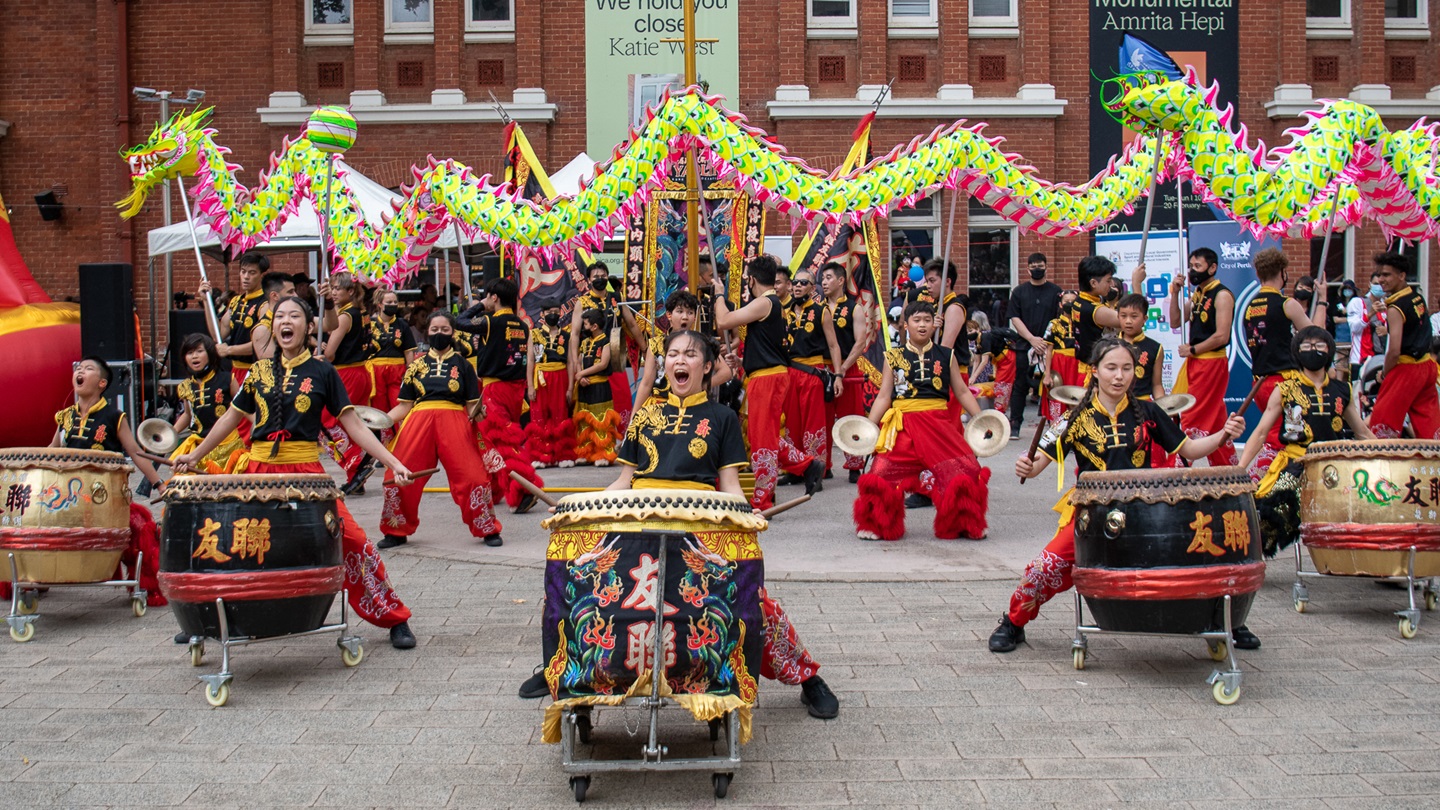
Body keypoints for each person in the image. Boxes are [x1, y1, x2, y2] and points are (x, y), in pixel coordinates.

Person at [516, 329, 839, 719]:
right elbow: (623, 481)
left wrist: (744, 513)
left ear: (707, 367)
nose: (679, 361)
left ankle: (807, 678)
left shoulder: (721, 417)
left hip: (698, 528)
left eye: (690, 355)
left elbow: (732, 487)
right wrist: (576, 508)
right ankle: (562, 673)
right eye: (672, 354)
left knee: (753, 603)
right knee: (577, 590)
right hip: (637, 527)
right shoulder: (645, 413)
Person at [175, 297, 419, 649]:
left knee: (352, 540)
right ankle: (205, 620)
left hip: (306, 471)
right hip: (257, 471)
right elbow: (230, 419)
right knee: (230, 542)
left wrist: (393, 461)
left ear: (307, 328)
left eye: (294, 315)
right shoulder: (258, 373)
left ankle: (393, 617)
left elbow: (353, 425)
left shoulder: (322, 372)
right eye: (280, 316)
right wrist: (195, 454)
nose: (285, 321)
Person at [989, 339, 1246, 653]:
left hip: (1147, 513)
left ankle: (1225, 622)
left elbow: (1189, 449)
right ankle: (1013, 623)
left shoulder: (1149, 412)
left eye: (1127, 368)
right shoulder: (1073, 418)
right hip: (1092, 515)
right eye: (1111, 368)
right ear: (1095, 371)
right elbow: (1037, 465)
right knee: (1045, 567)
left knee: (1196, 556)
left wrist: (1223, 435)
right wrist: (1025, 466)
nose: (1119, 376)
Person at [854, 301, 990, 541]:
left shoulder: (946, 355)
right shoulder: (893, 356)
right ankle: (878, 525)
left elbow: (961, 391)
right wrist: (868, 426)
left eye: (927, 320)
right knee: (881, 472)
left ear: (934, 323)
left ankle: (962, 524)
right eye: (917, 320)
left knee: (967, 469)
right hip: (902, 425)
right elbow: (885, 395)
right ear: (906, 324)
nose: (923, 325)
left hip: (938, 424)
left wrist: (981, 419)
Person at [40, 357, 168, 608]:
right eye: (78, 368)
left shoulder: (114, 416)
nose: (80, 371)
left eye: (88, 369)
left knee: (139, 530)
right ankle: (37, 574)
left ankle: (141, 585)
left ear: (101, 383)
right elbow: (51, 451)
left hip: (101, 494)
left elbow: (135, 452)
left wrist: (159, 484)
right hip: (66, 494)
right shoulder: (65, 416)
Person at [1240, 326, 1374, 560]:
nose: (1314, 350)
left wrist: (1391, 452)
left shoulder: (1343, 390)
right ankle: (1249, 559)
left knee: (1370, 506)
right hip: (1296, 464)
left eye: (1320, 345)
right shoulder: (1285, 389)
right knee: (1267, 512)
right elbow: (1261, 432)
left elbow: (1361, 432)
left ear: (1330, 351)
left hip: (1335, 467)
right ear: (1297, 352)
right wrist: (1240, 469)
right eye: (1307, 346)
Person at [378, 311, 503, 549]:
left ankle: (487, 528)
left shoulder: (464, 365)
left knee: (473, 477)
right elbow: (404, 406)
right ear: (427, 331)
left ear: (452, 332)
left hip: (454, 420)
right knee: (397, 474)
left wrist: (480, 412)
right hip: (418, 421)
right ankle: (395, 530)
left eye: (444, 330)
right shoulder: (415, 365)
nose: (439, 334)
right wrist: (381, 420)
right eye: (434, 330)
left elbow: (471, 406)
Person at [712, 256, 824, 509]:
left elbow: (724, 321)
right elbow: (767, 346)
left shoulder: (766, 302)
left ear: (751, 279)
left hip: (768, 379)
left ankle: (762, 500)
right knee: (765, 434)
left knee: (762, 439)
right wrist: (743, 361)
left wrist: (720, 295)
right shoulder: (772, 304)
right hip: (765, 375)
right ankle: (807, 465)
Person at [459, 278, 542, 512]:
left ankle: (524, 489)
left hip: (495, 390)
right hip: (515, 392)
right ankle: (494, 489)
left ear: (494, 297)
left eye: (489, 296)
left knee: (502, 442)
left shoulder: (490, 322)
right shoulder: (522, 325)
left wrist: (480, 305)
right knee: (490, 440)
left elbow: (460, 321)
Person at [1243, 248, 1329, 451]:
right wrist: (1323, 300)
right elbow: (1316, 337)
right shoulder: (1286, 304)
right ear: (1283, 273)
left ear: (1258, 274)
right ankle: (1266, 478)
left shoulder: (1250, 305)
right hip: (1284, 383)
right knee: (1285, 440)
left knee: (1274, 434)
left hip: (1259, 383)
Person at [1170, 247, 1238, 465]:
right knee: (1215, 417)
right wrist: (1175, 294)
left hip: (1210, 362)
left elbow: (1222, 336)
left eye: (1197, 266)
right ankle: (1227, 468)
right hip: (1195, 362)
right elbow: (1175, 320)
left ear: (1213, 267)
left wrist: (1193, 350)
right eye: (1191, 266)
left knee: (1191, 413)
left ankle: (1180, 466)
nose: (1193, 271)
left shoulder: (1222, 294)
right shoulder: (1199, 294)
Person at [1368, 251, 1440, 440]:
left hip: (1407, 369)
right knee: (1429, 421)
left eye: (1387, 275)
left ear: (1401, 276)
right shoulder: (1417, 297)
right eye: (1380, 275)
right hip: (1427, 366)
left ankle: (1383, 464)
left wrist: (1384, 374)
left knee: (1383, 421)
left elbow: (1394, 350)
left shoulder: (1395, 307)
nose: (1381, 279)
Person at [315, 271, 374, 494]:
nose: (333, 292)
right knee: (352, 426)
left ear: (350, 291)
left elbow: (329, 354)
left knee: (326, 423)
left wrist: (319, 353)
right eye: (332, 288)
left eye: (338, 288)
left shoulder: (345, 316)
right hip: (361, 373)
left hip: (345, 375)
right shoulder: (361, 312)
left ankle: (356, 463)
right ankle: (357, 475)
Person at [632, 291, 732, 411]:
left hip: (691, 405)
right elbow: (646, 383)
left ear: (695, 317)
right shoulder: (655, 344)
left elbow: (726, 372)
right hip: (660, 406)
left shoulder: (701, 343)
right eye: (680, 311)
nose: (685, 317)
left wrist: (701, 384)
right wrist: (634, 417)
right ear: (669, 315)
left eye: (690, 313)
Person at [820, 262, 874, 483]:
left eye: (829, 277)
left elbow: (861, 341)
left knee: (850, 416)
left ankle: (854, 465)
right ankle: (823, 465)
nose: (823, 282)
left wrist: (842, 369)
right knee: (822, 418)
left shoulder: (855, 308)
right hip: (822, 368)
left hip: (847, 368)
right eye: (822, 278)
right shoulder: (815, 308)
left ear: (841, 281)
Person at [783, 269, 841, 474]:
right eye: (795, 282)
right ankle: (795, 469)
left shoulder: (821, 310)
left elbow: (834, 346)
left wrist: (839, 376)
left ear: (812, 287)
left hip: (813, 372)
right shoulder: (784, 312)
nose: (798, 286)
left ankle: (816, 469)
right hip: (790, 372)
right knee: (792, 423)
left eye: (803, 283)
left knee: (814, 424)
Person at [570, 262, 640, 427]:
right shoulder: (582, 302)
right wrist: (577, 366)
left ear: (607, 277)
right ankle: (595, 444)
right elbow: (574, 334)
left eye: (603, 276)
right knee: (593, 405)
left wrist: (645, 347)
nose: (600, 279)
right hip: (590, 358)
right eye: (596, 277)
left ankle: (620, 441)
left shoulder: (617, 298)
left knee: (621, 398)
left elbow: (631, 324)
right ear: (589, 280)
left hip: (614, 357)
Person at [170, 334, 245, 474]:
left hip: (228, 445)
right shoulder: (185, 386)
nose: (194, 356)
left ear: (210, 354)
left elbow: (244, 408)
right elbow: (188, 414)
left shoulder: (228, 379)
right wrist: (170, 433)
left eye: (199, 351)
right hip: (198, 446)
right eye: (190, 353)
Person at [1007, 253, 1063, 433]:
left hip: (1050, 347)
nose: (1036, 269)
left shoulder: (1056, 291)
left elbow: (1059, 320)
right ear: (1027, 269)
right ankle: (1015, 423)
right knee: (1020, 385)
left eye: (1040, 265)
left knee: (1052, 385)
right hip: (1025, 346)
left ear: (1046, 266)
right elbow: (1014, 318)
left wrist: (1046, 342)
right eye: (1033, 266)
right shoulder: (1019, 291)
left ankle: (1052, 423)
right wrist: (1031, 339)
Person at [197, 252, 269, 388]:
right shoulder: (236, 302)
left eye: (252, 273)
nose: (246, 277)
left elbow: (261, 344)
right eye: (243, 272)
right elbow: (217, 334)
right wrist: (207, 302)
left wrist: (229, 350)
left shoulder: (265, 304)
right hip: (235, 371)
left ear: (261, 275)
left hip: (257, 370)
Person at [526, 300, 577, 469]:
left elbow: (570, 362)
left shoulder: (566, 335)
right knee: (540, 415)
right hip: (540, 378)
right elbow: (530, 362)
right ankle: (541, 455)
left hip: (560, 376)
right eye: (549, 312)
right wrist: (530, 387)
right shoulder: (534, 334)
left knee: (560, 414)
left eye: (556, 311)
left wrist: (570, 387)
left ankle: (562, 455)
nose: (552, 315)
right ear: (542, 314)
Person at [365, 289, 418, 439]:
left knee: (399, 404)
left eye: (395, 302)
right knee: (378, 408)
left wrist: (410, 372)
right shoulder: (370, 324)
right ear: (380, 304)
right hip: (376, 371)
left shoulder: (402, 324)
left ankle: (402, 442)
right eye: (389, 302)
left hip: (397, 371)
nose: (393, 305)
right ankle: (382, 444)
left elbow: (408, 351)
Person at [574, 309, 622, 465]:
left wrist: (581, 374)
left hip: (600, 385)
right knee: (584, 421)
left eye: (585, 324)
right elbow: (579, 361)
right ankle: (586, 452)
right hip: (584, 386)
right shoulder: (585, 342)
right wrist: (580, 376)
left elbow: (603, 364)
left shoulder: (605, 342)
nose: (583, 327)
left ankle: (604, 454)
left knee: (600, 421)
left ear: (594, 326)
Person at [1039, 290, 1080, 423]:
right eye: (1066, 301)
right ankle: (1055, 427)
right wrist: (1047, 374)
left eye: (1073, 301)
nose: (1070, 304)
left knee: (1077, 395)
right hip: (1059, 363)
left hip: (1078, 363)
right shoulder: (1054, 324)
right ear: (1061, 305)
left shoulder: (1082, 323)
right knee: (1057, 395)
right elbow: (1048, 351)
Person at [1115, 294, 1164, 402]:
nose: (1128, 321)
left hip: (1143, 404)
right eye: (1123, 316)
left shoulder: (1155, 348)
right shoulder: (1109, 345)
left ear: (1145, 319)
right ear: (1118, 317)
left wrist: (1163, 407)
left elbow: (1157, 385)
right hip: (1115, 404)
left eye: (1134, 316)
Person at [248, 271, 297, 361]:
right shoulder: (262, 329)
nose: (296, 295)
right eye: (290, 292)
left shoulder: (298, 317)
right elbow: (272, 365)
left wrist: (328, 301)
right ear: (274, 296)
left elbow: (328, 324)